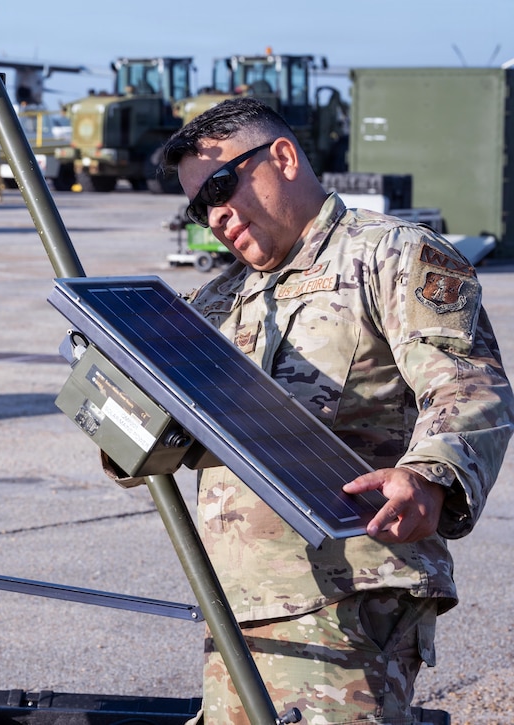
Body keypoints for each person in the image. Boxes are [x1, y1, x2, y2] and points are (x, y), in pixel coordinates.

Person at [160, 97, 513, 724]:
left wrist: (430, 473)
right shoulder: (219, 301)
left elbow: (468, 383)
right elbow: (154, 445)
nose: (214, 216)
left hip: (350, 594)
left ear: (284, 158)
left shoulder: (389, 255)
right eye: (197, 206)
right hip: (240, 604)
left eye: (219, 186)